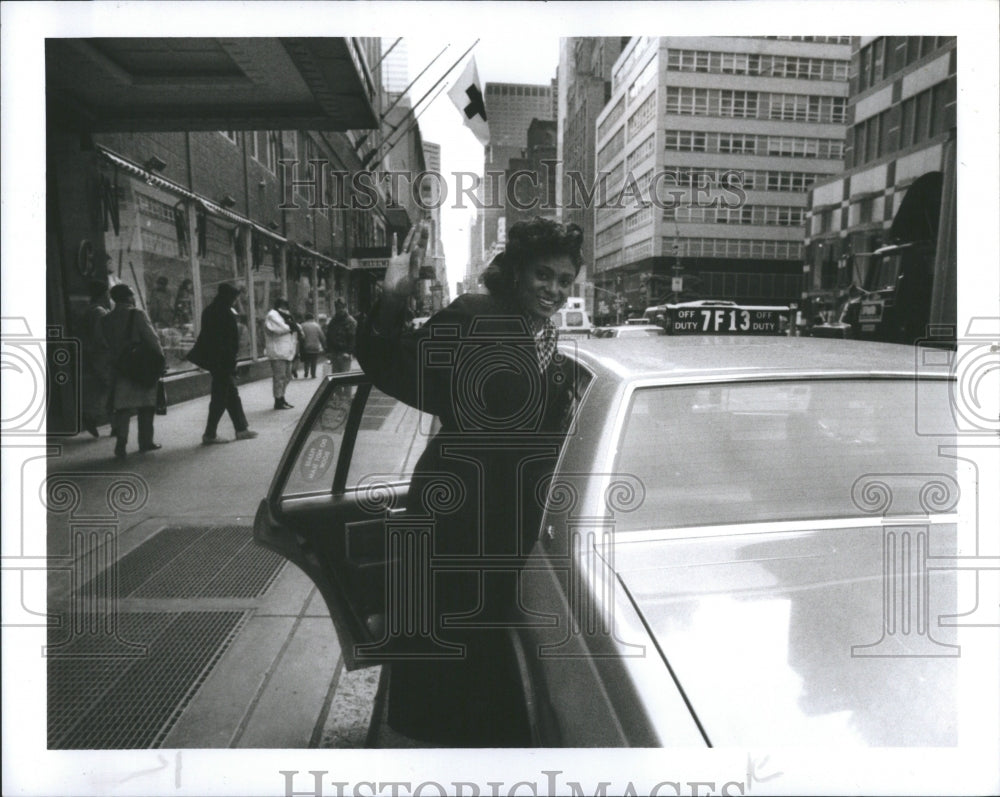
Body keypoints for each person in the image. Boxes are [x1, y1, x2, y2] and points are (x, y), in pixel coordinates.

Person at [356, 216, 583, 746]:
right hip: (454, 511)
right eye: (543, 275)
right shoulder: (476, 315)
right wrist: (392, 297)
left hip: (510, 519)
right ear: (517, 272)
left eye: (564, 281)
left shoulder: (548, 338)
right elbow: (392, 364)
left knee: (485, 647)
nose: (553, 289)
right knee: (447, 638)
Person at [187, 282, 259, 445]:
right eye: (234, 298)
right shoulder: (224, 313)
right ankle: (210, 434)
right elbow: (228, 341)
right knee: (220, 396)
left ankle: (241, 428)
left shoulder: (210, 310)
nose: (235, 301)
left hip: (215, 360)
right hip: (222, 361)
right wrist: (231, 362)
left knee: (231, 394)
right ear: (229, 297)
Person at [102, 283, 165, 459]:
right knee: (146, 406)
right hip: (140, 365)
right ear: (129, 297)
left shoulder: (106, 319)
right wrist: (161, 360)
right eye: (132, 295)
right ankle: (145, 441)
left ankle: (121, 444)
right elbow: (152, 340)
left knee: (122, 408)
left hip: (120, 368)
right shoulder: (137, 314)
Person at [78, 279, 111, 437]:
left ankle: (98, 417)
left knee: (104, 387)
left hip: (92, 353)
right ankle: (93, 416)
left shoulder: (88, 310)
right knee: (109, 386)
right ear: (102, 294)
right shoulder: (99, 312)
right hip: (102, 354)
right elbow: (101, 335)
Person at [264, 297, 298, 409]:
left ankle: (282, 397)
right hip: (277, 351)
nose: (285, 307)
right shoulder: (272, 315)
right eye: (283, 305)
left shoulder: (285, 316)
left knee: (288, 376)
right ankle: (278, 400)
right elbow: (280, 329)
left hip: (287, 351)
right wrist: (291, 326)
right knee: (279, 377)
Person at [325, 298, 357, 375]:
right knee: (335, 379)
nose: (340, 310)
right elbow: (329, 337)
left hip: (344, 353)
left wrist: (349, 352)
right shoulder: (333, 321)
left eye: (342, 307)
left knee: (346, 378)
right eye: (338, 308)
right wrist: (328, 351)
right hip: (334, 353)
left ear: (345, 308)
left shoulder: (350, 321)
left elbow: (353, 338)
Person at [298, 312, 325, 379]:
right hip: (315, 347)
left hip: (305, 347)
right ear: (312, 318)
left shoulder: (302, 325)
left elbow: (299, 337)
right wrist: (324, 346)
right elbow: (321, 337)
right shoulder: (317, 326)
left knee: (306, 360)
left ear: (305, 318)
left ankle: (306, 372)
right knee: (314, 361)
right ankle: (313, 374)